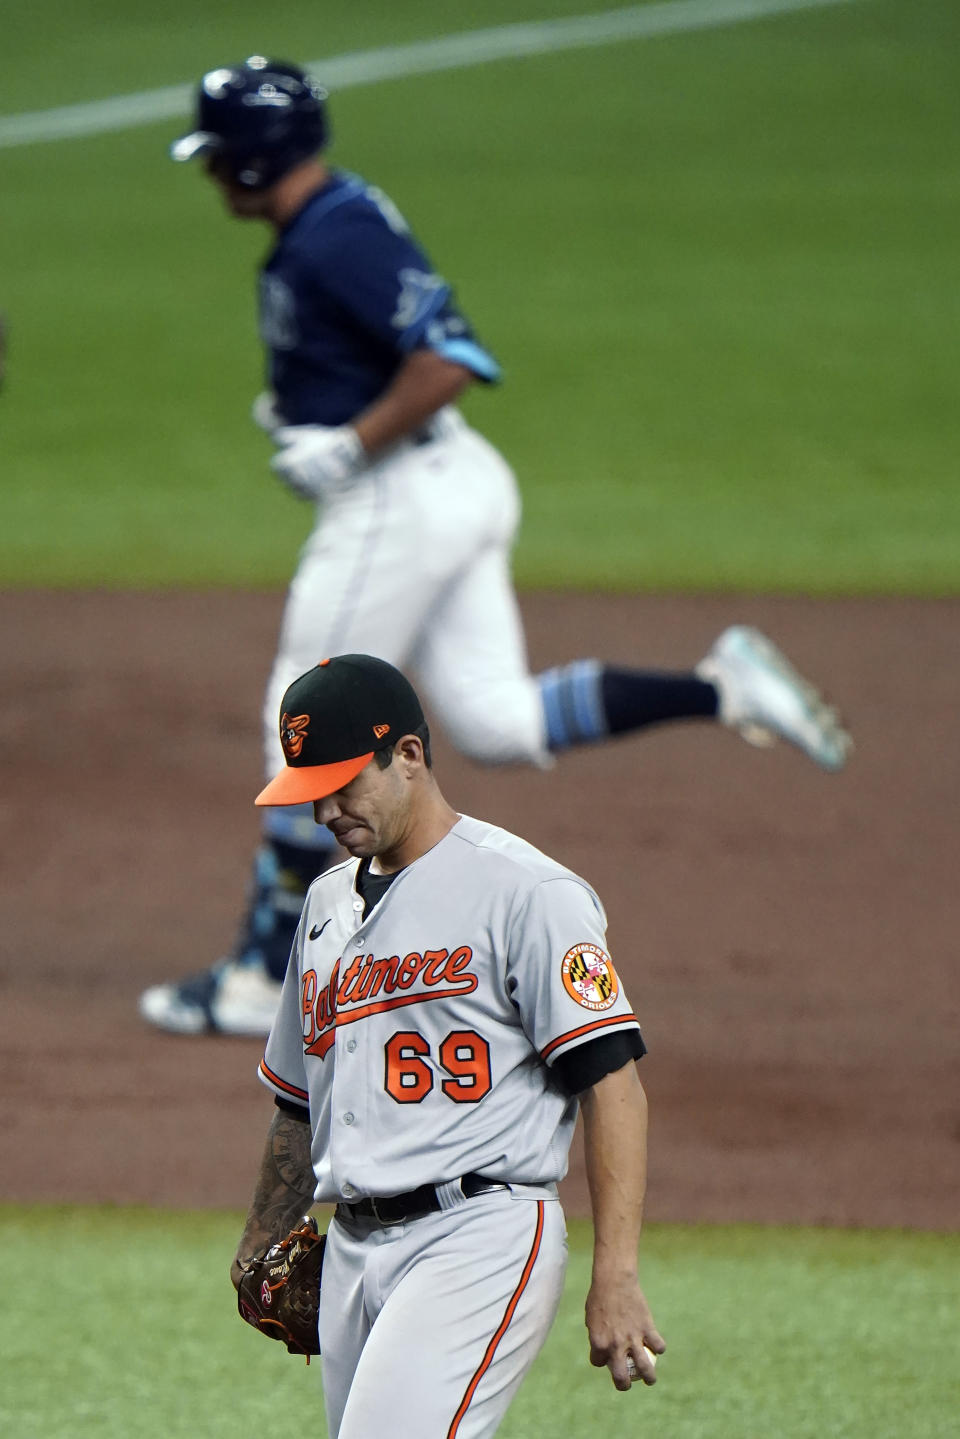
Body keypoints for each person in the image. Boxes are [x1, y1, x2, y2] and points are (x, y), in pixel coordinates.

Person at [139, 56, 851, 1038]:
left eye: (219, 157)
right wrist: (310, 402)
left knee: (296, 713)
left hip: (401, 498)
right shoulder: (330, 219)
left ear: (256, 161)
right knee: (496, 719)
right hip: (454, 484)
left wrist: (350, 441)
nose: (212, 174)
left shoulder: (334, 237)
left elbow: (451, 359)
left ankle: (270, 973)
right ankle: (722, 687)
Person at [231, 653, 665, 1436]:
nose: (326, 809)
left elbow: (614, 1083)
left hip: (479, 1235)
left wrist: (618, 1274)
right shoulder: (327, 905)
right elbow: (297, 1101)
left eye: (343, 781)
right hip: (353, 1252)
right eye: (311, 790)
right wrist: (261, 1240)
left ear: (408, 755)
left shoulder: (527, 892)